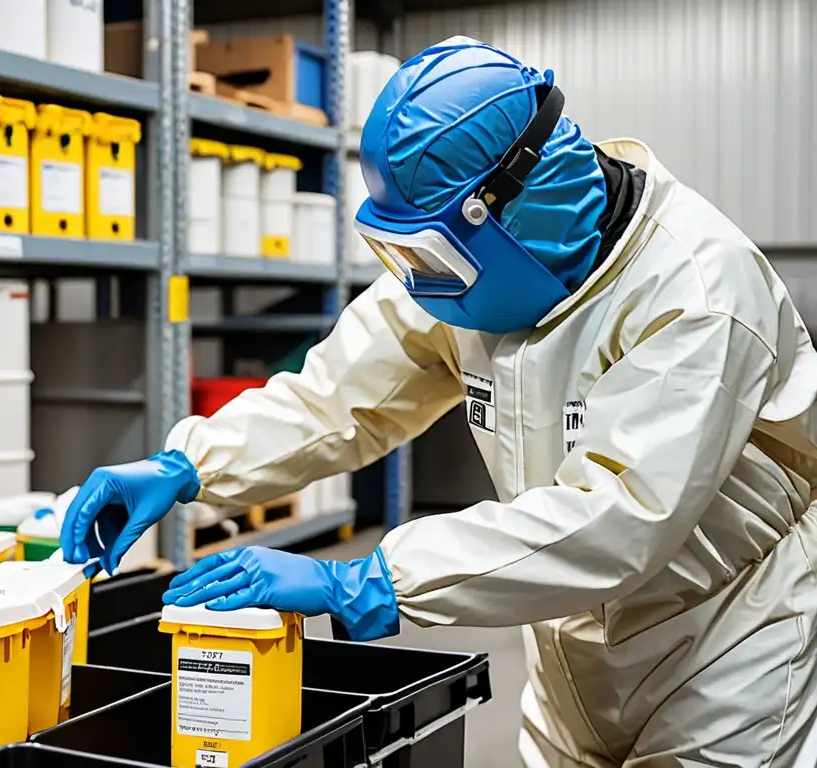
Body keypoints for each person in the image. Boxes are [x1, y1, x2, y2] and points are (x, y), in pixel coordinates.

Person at [61, 37, 817, 767]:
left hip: (721, 644)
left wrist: (362, 581)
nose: (419, 285)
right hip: (568, 637)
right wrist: (187, 464)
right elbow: (338, 399)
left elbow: (615, 520)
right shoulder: (467, 271)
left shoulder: (697, 294)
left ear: (515, 205)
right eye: (402, 254)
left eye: (430, 255)